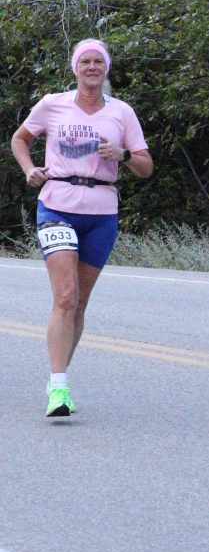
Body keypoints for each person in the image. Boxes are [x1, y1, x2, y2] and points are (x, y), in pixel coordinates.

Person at [10, 38, 153, 419]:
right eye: (85, 61)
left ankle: (57, 377)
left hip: (101, 213)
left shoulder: (121, 112)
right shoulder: (53, 104)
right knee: (66, 296)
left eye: (98, 62)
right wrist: (29, 169)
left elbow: (145, 166)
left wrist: (123, 155)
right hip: (57, 205)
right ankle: (59, 389)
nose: (92, 67)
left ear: (106, 69)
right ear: (75, 68)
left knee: (81, 301)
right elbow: (20, 139)